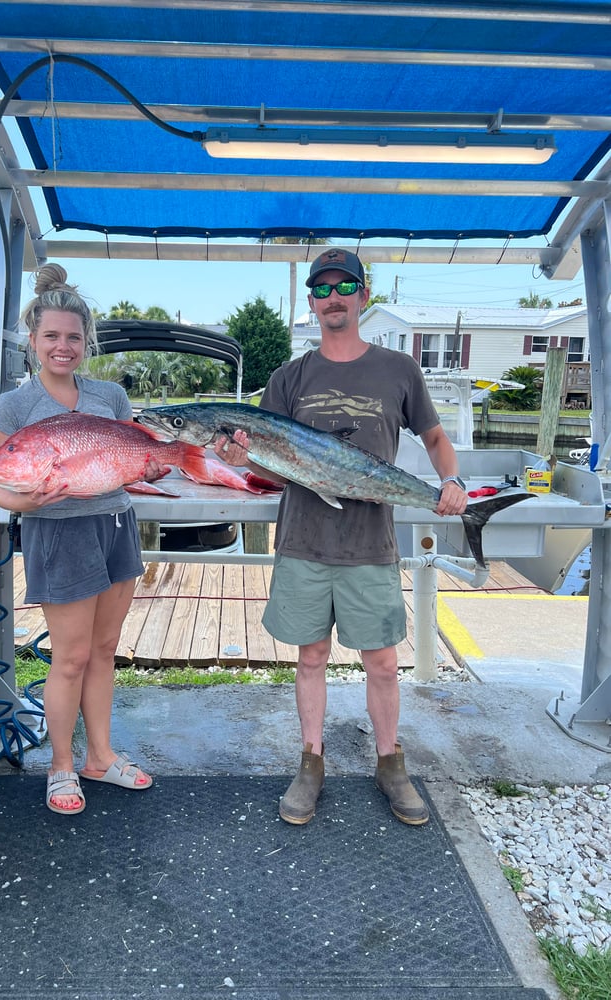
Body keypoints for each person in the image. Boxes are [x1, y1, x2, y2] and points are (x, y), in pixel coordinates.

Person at [215, 248, 468, 827]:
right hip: (304, 538)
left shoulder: (399, 369)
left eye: (344, 285)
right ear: (310, 301)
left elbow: (433, 438)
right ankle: (311, 762)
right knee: (312, 657)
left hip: (371, 542)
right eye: (322, 288)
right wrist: (240, 455)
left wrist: (450, 482)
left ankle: (389, 762)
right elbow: (275, 468)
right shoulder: (288, 377)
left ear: (363, 294)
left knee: (380, 661)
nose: (333, 297)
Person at [0, 263, 160, 815]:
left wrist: (149, 469)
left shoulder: (110, 395)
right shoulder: (10, 408)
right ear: (33, 341)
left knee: (105, 650)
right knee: (71, 658)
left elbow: (134, 458)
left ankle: (99, 757)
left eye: (73, 337)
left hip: (116, 527)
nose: (63, 346)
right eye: (52, 336)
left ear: (87, 342)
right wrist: (27, 502)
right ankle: (61, 765)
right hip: (58, 535)